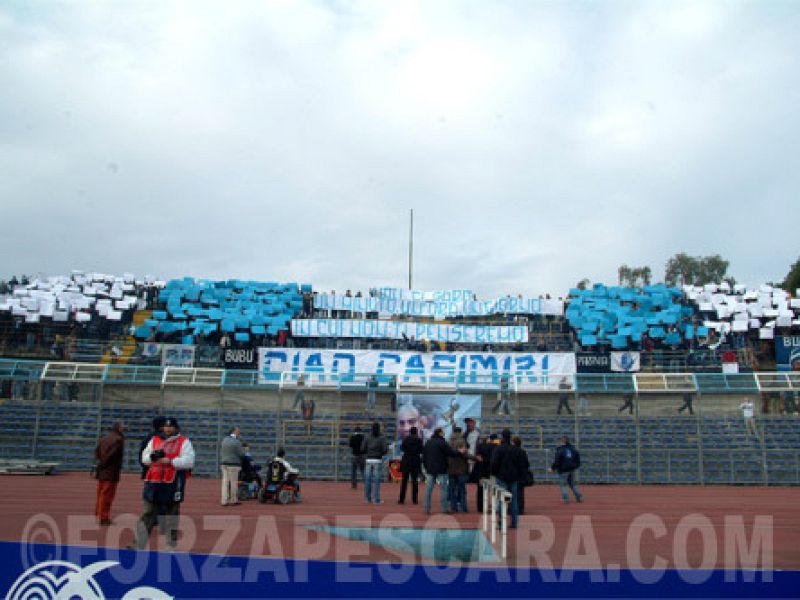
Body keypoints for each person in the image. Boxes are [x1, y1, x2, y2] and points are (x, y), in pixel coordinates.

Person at [131, 417, 195, 550]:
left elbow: (189, 461)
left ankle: (171, 545)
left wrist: (171, 461)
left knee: (172, 514)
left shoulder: (184, 441)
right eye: (166, 427)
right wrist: (152, 457)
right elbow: (144, 459)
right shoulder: (154, 440)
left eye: (171, 427)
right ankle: (139, 544)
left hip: (173, 482)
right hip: (153, 481)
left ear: (176, 428)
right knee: (148, 512)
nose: (168, 429)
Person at [490, 429, 526, 528]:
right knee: (514, 500)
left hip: (501, 477)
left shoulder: (499, 449)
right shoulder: (516, 450)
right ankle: (514, 522)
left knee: (502, 500)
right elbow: (521, 465)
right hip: (513, 477)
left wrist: (494, 473)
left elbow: (494, 463)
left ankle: (502, 522)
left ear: (502, 436)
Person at [422, 427, 463, 515]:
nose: (444, 433)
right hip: (441, 469)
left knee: (428, 490)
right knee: (443, 490)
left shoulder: (428, 442)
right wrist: (459, 452)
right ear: (440, 433)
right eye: (443, 432)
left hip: (430, 469)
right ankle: (444, 509)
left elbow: (424, 457)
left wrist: (426, 467)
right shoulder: (442, 442)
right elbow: (450, 453)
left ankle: (426, 508)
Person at [93, 421, 126, 526]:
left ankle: (98, 513)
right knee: (107, 495)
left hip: (102, 471)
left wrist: (100, 464)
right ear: (119, 428)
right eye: (122, 427)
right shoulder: (118, 440)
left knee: (100, 493)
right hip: (111, 471)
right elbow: (111, 455)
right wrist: (104, 464)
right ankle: (103, 517)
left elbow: (97, 452)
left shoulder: (104, 438)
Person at [549, 435, 583, 504]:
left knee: (563, 485)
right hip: (572, 469)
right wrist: (575, 466)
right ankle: (579, 497)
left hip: (563, 470)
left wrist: (552, 468)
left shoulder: (560, 449)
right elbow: (578, 459)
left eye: (560, 440)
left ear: (562, 441)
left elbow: (557, 460)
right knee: (573, 484)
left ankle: (566, 499)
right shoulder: (573, 448)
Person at [361, 422, 389, 504]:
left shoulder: (367, 436)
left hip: (368, 460)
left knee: (367, 480)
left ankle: (367, 498)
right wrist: (380, 454)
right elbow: (385, 449)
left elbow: (362, 448)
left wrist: (368, 453)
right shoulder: (382, 437)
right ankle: (376, 499)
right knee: (376, 481)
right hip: (377, 460)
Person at [447, 427, 471, 513]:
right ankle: (463, 507)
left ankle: (454, 508)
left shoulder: (448, 441)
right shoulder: (462, 441)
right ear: (460, 432)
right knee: (462, 489)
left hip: (451, 469)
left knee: (452, 489)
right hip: (461, 469)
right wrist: (475, 458)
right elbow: (465, 454)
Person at [398, 426, 423, 505]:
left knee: (404, 481)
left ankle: (402, 499)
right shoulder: (419, 440)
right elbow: (422, 450)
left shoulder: (406, 439)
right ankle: (414, 500)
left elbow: (402, 448)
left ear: (410, 432)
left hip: (406, 460)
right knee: (414, 481)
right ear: (416, 432)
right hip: (415, 460)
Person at [220, 427, 244, 506]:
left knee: (225, 482)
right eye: (238, 431)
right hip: (233, 464)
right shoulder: (236, 442)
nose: (239, 433)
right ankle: (233, 500)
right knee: (233, 482)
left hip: (224, 463)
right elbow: (241, 454)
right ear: (234, 432)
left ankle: (224, 500)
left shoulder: (224, 440)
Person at [512, 435, 531, 515]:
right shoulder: (523, 452)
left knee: (513, 492)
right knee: (520, 493)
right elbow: (527, 464)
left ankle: (513, 508)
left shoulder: (512, 451)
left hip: (514, 474)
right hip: (521, 475)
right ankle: (521, 509)